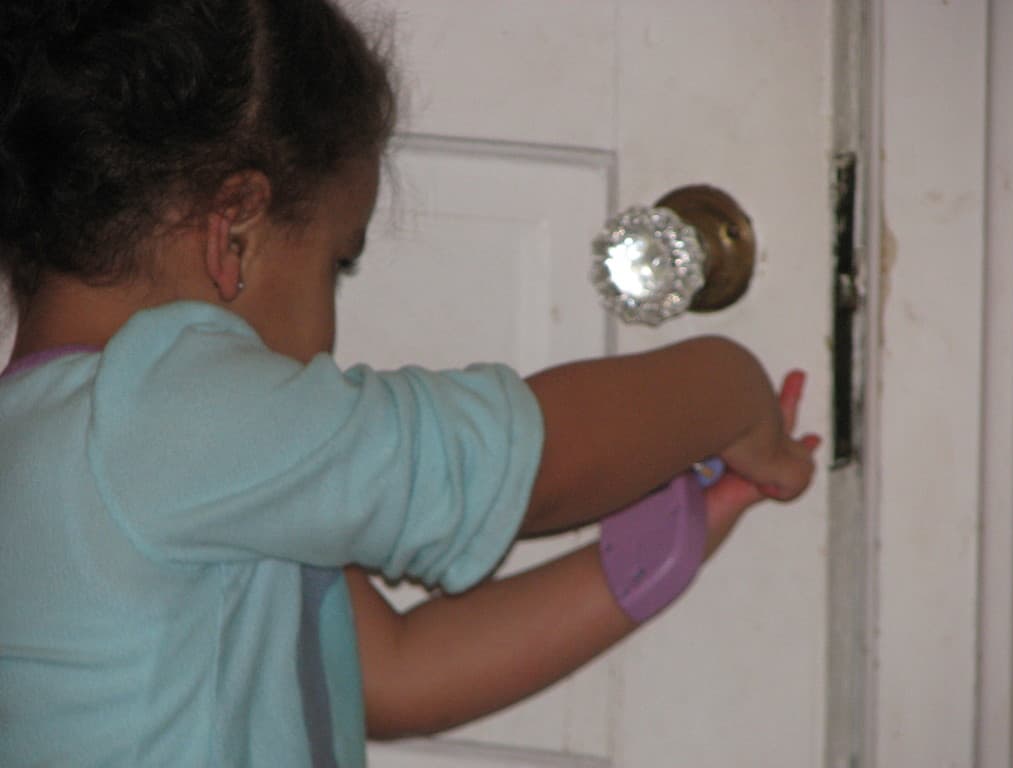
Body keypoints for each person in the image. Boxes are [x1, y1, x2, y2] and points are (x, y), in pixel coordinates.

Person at [0, 1, 819, 766]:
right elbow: (524, 466)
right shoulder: (159, 421)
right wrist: (728, 385)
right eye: (336, 260)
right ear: (235, 231)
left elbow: (392, 674)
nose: (328, 328)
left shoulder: (95, 449)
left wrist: (672, 536)